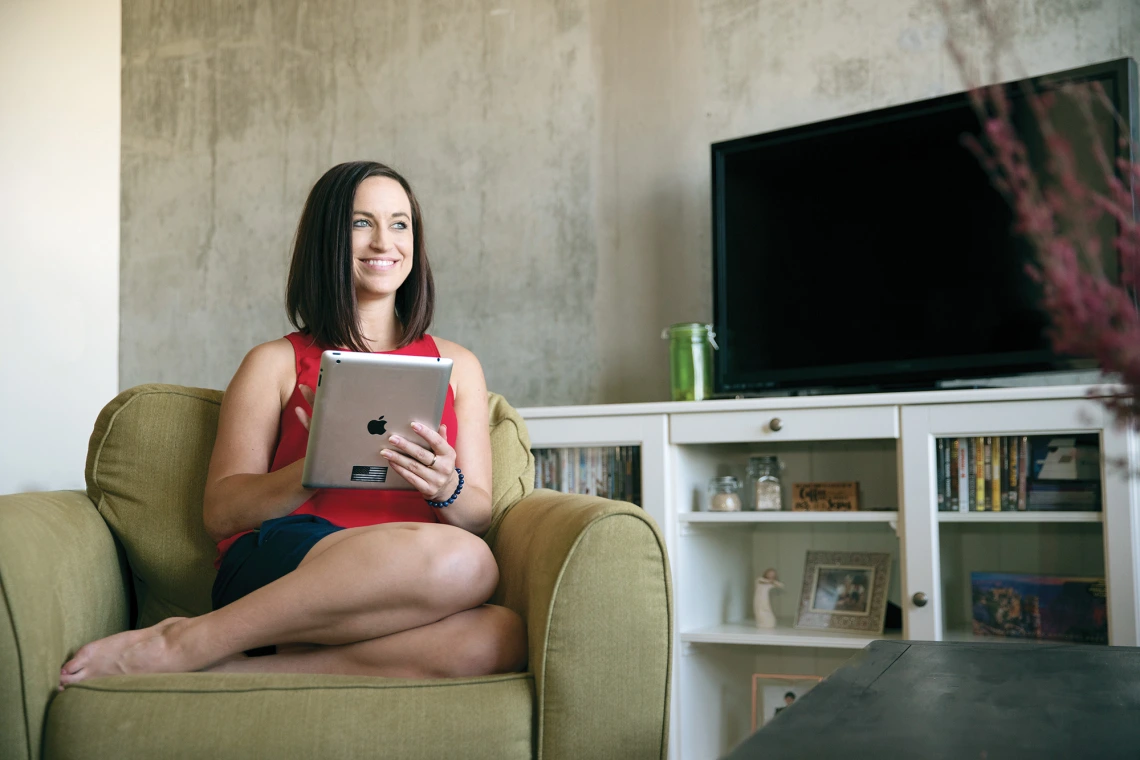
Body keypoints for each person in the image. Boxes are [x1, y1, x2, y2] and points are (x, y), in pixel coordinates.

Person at [60, 161, 528, 685]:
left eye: (400, 224)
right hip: (293, 558)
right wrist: (311, 467)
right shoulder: (273, 363)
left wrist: (448, 486)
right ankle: (191, 640)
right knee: (470, 565)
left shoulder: (459, 366)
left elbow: (478, 514)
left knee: (501, 635)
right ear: (327, 238)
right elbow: (222, 513)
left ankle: (242, 670)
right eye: (360, 223)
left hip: (411, 585)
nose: (384, 242)